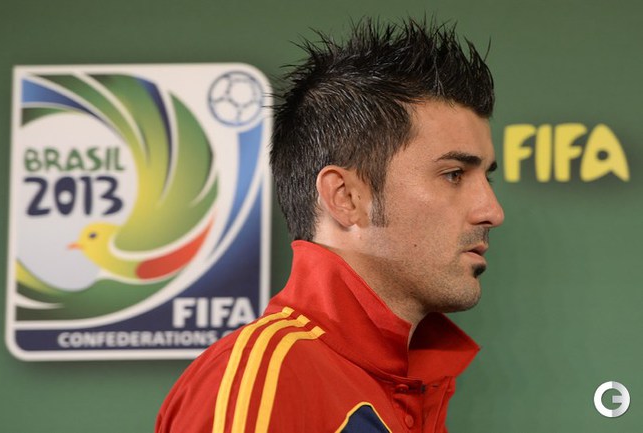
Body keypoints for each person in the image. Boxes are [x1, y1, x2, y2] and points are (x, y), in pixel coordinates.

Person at [156, 17, 504, 433]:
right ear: (346, 198)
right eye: (453, 175)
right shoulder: (269, 380)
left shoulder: (404, 384)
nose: (492, 211)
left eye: (487, 178)